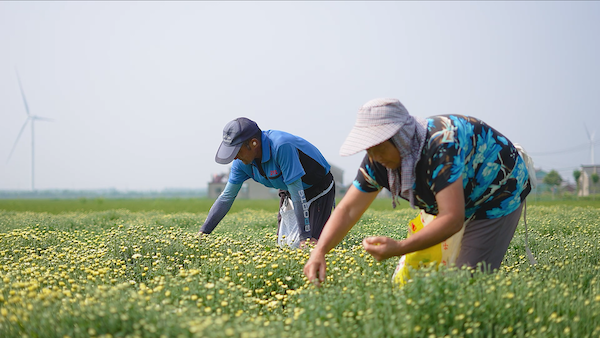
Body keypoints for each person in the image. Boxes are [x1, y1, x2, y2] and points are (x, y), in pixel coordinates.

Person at [304, 98, 532, 286]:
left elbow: (452, 219)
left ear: (401, 138)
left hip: (496, 192)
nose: (374, 158)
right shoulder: (378, 160)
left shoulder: (441, 148)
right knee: (422, 278)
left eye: (379, 148)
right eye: (369, 150)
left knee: (466, 283)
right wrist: (320, 250)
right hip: (455, 197)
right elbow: (348, 209)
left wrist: (400, 248)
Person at [198, 117, 336, 246]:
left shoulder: (281, 146)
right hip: (289, 190)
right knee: (285, 245)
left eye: (237, 151)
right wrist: (203, 234)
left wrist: (305, 237)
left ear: (254, 143)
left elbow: (298, 194)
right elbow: (226, 198)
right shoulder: (240, 163)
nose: (234, 158)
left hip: (317, 188)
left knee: (311, 245)